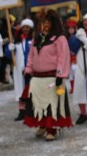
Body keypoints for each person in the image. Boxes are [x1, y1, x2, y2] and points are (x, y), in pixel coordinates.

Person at [23, 9, 71, 141]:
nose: (45, 24)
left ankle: (52, 129)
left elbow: (63, 57)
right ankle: (42, 125)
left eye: (48, 21)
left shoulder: (59, 39)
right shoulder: (37, 39)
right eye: (43, 21)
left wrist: (60, 75)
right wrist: (28, 70)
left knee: (52, 105)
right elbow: (31, 56)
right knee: (37, 103)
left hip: (52, 77)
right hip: (37, 77)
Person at [12, 19, 33, 120]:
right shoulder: (17, 41)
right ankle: (22, 111)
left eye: (27, 27)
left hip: (30, 70)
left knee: (29, 90)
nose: (25, 29)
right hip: (19, 70)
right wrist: (10, 49)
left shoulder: (33, 40)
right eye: (24, 27)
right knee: (21, 91)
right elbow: (10, 56)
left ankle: (30, 111)